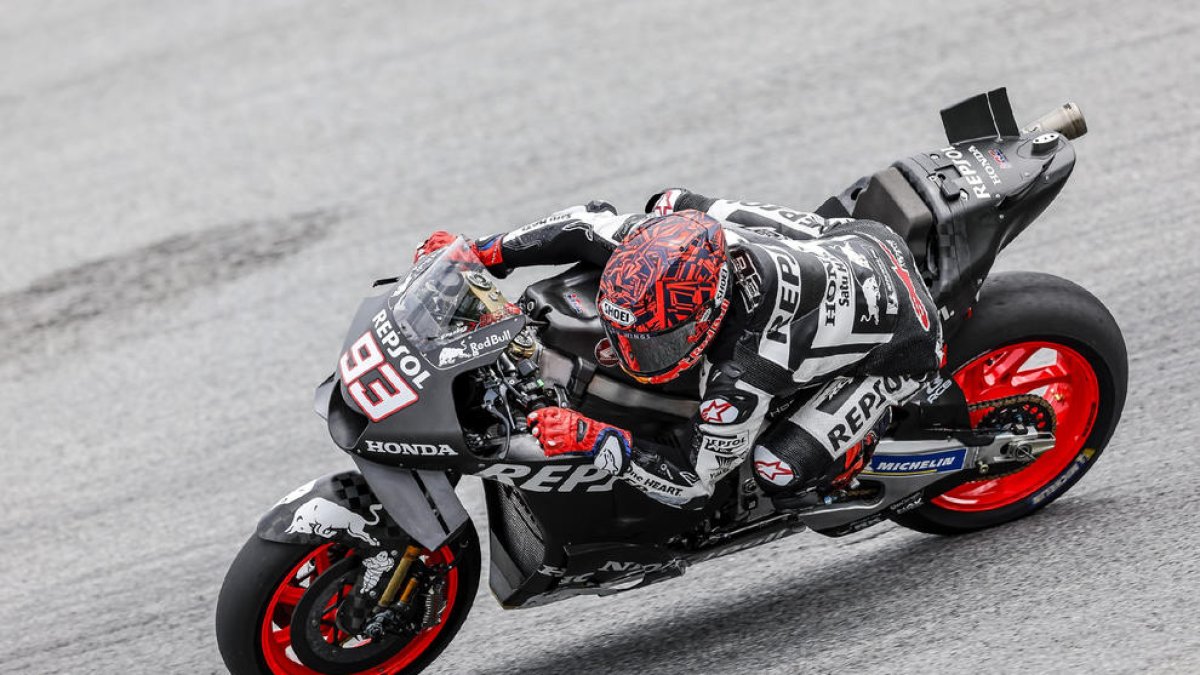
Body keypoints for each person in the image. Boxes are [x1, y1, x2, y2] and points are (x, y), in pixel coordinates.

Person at [414, 189, 944, 509]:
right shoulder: (652, 237)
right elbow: (578, 225)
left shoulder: (746, 369)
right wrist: (481, 251)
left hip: (906, 339)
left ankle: (858, 455)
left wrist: (594, 437)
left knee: (776, 468)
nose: (635, 352)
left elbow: (694, 481)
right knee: (671, 202)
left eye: (661, 339)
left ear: (712, 308)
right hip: (851, 238)